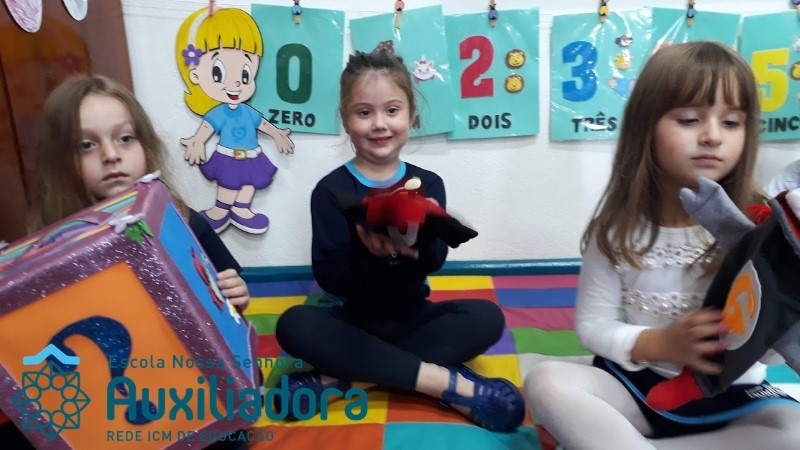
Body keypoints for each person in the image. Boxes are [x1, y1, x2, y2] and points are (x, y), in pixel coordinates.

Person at [524, 41, 800, 449]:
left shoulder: (762, 226)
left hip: (734, 398)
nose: (712, 136)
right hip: (638, 389)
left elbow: (776, 345)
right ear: (645, 127)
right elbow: (593, 326)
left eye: (731, 122)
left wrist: (774, 330)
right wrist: (661, 343)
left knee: (794, 430)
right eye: (689, 119)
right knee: (546, 380)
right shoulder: (615, 230)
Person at [274, 50, 525, 431]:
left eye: (392, 110)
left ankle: (343, 380)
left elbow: (434, 261)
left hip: (414, 317)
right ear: (345, 119)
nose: (379, 124)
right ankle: (441, 381)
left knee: (487, 317)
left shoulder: (429, 184)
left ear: (411, 115)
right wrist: (367, 253)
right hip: (353, 320)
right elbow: (330, 278)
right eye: (364, 112)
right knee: (294, 324)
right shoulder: (331, 190)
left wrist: (421, 240)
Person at [5, 74, 251, 450]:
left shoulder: (182, 219)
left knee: (231, 425)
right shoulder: (49, 247)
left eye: (124, 138)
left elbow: (230, 299)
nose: (111, 155)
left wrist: (234, 296)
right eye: (86, 145)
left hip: (187, 381)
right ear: (61, 161)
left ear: (144, 144)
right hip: (106, 393)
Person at [176, 6, 294, 234]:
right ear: (195, 74)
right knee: (228, 184)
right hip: (228, 156)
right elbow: (207, 127)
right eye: (219, 73)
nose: (236, 83)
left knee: (250, 184)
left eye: (245, 74)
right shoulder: (219, 112)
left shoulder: (248, 111)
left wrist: (278, 134)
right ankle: (220, 211)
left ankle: (241, 210)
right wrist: (197, 141)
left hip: (251, 155)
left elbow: (262, 124)